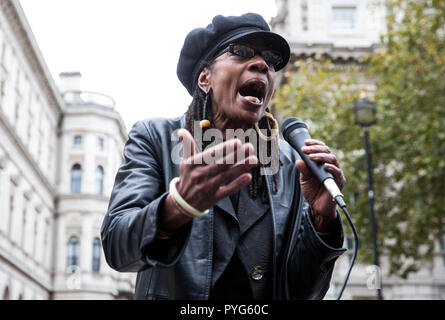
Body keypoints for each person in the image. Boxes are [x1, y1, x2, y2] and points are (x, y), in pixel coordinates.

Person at [101, 12, 347, 300]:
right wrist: (177, 206)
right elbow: (118, 247)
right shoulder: (155, 137)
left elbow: (304, 293)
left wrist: (322, 220)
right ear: (205, 78)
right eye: (241, 52)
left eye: (269, 60)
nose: (262, 65)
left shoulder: (290, 164)